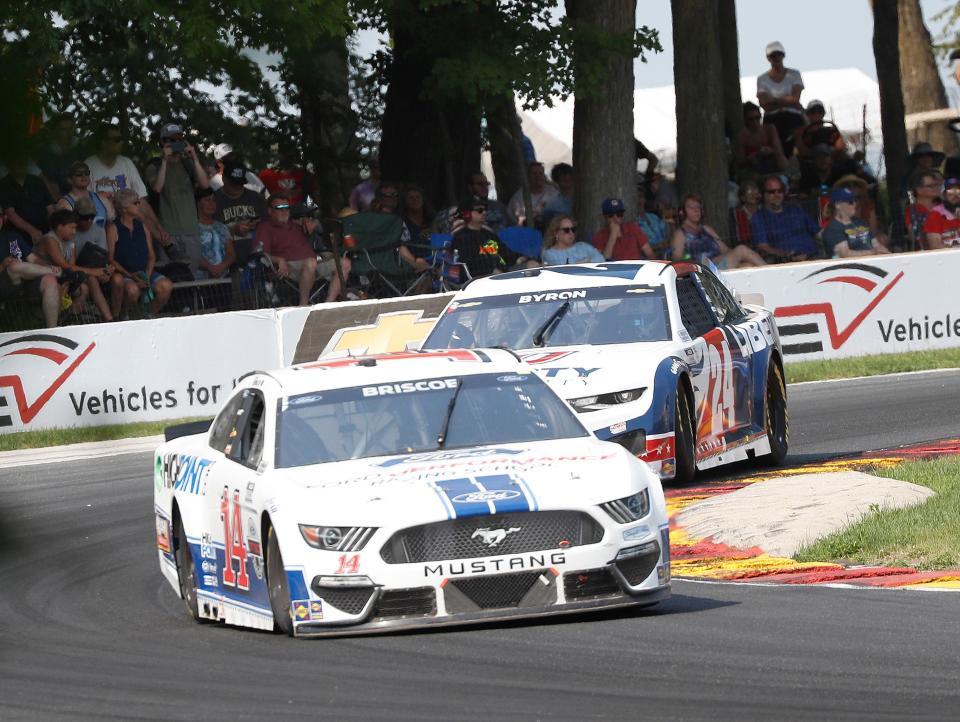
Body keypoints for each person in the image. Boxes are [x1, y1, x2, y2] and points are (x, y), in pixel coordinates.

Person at [85, 124, 171, 256]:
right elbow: (84, 199)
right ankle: (167, 247)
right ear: (103, 142)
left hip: (129, 218)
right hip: (102, 221)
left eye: (121, 139)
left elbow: (141, 199)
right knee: (134, 211)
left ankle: (165, 244)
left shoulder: (126, 163)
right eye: (116, 139)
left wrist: (160, 228)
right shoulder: (89, 164)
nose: (121, 142)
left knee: (136, 208)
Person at [255, 193, 350, 304]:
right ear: (270, 211)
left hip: (313, 265)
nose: (284, 211)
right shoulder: (265, 228)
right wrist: (279, 260)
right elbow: (260, 254)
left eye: (286, 208)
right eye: (279, 208)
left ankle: (327, 304)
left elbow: (320, 232)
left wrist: (312, 225)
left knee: (345, 263)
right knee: (311, 262)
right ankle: (303, 306)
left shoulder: (295, 226)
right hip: (290, 269)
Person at [144, 122, 210, 272]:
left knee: (190, 275)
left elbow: (205, 185)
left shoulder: (188, 164)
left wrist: (195, 158)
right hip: (167, 233)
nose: (176, 144)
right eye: (171, 140)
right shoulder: (154, 166)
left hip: (190, 229)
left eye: (179, 140)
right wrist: (165, 160)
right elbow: (157, 188)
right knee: (170, 276)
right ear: (162, 142)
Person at [33, 209, 116, 320]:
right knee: (82, 282)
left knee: (89, 283)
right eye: (71, 227)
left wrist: (100, 272)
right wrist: (95, 271)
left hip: (63, 276)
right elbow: (64, 265)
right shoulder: (50, 239)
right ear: (59, 227)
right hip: (44, 277)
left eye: (75, 228)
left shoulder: (71, 240)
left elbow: (72, 264)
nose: (74, 232)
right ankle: (59, 321)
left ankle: (109, 319)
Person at [110, 189, 173, 318]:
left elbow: (151, 255)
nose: (139, 205)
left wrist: (146, 277)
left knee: (166, 286)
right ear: (125, 207)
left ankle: (146, 315)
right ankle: (124, 316)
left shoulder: (143, 227)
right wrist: (131, 276)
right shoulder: (113, 228)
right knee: (132, 290)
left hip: (144, 272)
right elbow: (110, 259)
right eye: (136, 202)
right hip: (125, 273)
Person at [0, 212, 62, 328]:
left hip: (24, 281)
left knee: (50, 280)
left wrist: (47, 266)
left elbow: (33, 259)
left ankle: (52, 331)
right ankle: (56, 272)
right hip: (4, 285)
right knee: (14, 265)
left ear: (3, 218)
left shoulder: (12, 236)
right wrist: (3, 266)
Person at [670, 195, 765, 268]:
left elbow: (725, 250)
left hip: (719, 265)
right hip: (704, 271)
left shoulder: (706, 229)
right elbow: (677, 261)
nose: (696, 210)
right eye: (691, 207)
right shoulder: (680, 234)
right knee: (742, 249)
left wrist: (736, 258)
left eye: (698, 207)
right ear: (682, 211)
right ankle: (772, 271)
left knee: (748, 266)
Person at [72, 197, 124, 321]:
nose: (89, 220)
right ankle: (109, 319)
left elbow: (102, 256)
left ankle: (117, 315)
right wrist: (95, 272)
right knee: (92, 279)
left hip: (97, 268)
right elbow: (71, 264)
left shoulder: (99, 230)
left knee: (117, 278)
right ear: (76, 216)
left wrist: (107, 269)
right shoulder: (70, 231)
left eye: (92, 216)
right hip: (78, 273)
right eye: (85, 217)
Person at [450, 197, 530, 278]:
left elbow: (506, 253)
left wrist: (521, 258)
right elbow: (469, 265)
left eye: (485, 209)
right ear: (466, 214)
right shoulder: (460, 238)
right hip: (479, 280)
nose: (484, 212)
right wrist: (492, 271)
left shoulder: (488, 234)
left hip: (502, 273)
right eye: (479, 210)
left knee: (531, 265)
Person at [750, 175, 821, 261]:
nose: (776, 194)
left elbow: (818, 233)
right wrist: (787, 255)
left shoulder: (795, 209)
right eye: (771, 192)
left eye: (780, 191)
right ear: (762, 194)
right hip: (786, 262)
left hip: (815, 256)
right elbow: (763, 247)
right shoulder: (759, 217)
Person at [756, 41, 805, 157]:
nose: (776, 58)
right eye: (773, 55)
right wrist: (788, 101)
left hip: (793, 118)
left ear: (783, 55)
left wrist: (773, 100)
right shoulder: (762, 79)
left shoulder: (794, 74)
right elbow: (764, 103)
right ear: (768, 58)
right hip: (773, 120)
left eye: (778, 54)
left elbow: (795, 98)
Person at [215, 161, 268, 263]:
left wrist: (258, 226)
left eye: (240, 183)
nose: (237, 187)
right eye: (234, 183)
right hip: (228, 259)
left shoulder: (256, 198)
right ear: (224, 179)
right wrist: (232, 230)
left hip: (257, 256)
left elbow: (269, 225)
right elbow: (208, 233)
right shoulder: (214, 200)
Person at [434, 172, 515, 235]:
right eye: (480, 184)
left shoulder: (499, 207)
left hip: (499, 248)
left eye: (486, 184)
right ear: (470, 187)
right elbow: (436, 225)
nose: (484, 187)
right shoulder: (457, 209)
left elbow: (513, 228)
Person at [0, 155, 55, 244]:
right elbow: (10, 213)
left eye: (23, 160)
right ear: (9, 164)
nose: (21, 163)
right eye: (17, 161)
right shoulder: (3, 185)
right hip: (20, 237)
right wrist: (32, 230)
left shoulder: (37, 181)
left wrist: (54, 227)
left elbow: (50, 207)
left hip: (46, 231)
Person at [821, 188, 890, 258]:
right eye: (851, 202)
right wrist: (873, 252)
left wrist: (882, 251)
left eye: (855, 200)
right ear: (838, 205)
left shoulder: (860, 222)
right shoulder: (833, 229)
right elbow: (845, 254)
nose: (855, 204)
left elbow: (876, 244)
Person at [36, 113, 84, 197]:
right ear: (56, 131)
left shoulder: (80, 148)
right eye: (63, 129)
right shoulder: (47, 152)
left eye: (70, 129)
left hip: (79, 192)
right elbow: (45, 177)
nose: (68, 133)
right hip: (54, 195)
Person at [56, 161, 115, 228]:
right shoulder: (65, 203)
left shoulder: (101, 199)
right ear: (69, 180)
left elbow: (111, 223)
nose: (84, 176)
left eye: (86, 173)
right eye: (79, 174)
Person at [734, 101, 787, 176]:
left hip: (772, 163)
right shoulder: (742, 136)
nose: (755, 122)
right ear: (745, 120)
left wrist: (769, 151)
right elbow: (740, 162)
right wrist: (752, 156)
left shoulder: (770, 129)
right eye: (751, 119)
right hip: (754, 168)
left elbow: (778, 150)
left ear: (760, 116)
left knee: (781, 159)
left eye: (757, 118)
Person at [196, 188, 235, 279]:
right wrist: (211, 268)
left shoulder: (222, 227)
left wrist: (222, 266)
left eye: (214, 200)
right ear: (198, 203)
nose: (211, 204)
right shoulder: (192, 228)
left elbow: (231, 252)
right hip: (199, 281)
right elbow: (192, 254)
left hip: (223, 279)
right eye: (207, 200)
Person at [507, 161, 559, 229]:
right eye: (534, 174)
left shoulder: (553, 192)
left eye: (540, 173)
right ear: (528, 176)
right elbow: (516, 221)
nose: (538, 176)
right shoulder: (518, 197)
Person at [905, 170, 943, 251]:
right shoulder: (913, 210)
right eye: (930, 186)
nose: (936, 188)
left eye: (936, 185)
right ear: (919, 190)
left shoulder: (944, 206)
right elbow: (916, 236)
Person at [922, 177, 960, 249]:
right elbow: (936, 246)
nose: (955, 195)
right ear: (944, 195)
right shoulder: (935, 215)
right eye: (950, 192)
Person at [636, 178, 671, 256]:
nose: (639, 200)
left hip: (666, 255)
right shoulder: (633, 223)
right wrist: (657, 247)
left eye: (641, 196)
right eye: (636, 197)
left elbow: (667, 235)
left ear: (644, 199)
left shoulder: (653, 217)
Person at [728, 180, 762, 247]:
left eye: (755, 193)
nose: (754, 196)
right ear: (743, 198)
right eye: (750, 194)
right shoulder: (736, 214)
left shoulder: (763, 212)